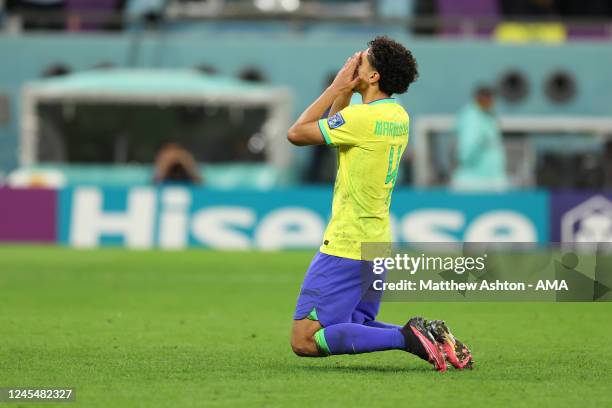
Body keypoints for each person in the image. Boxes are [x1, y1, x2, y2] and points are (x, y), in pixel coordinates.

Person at [287, 36, 472, 371]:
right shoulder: (397, 116)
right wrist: (347, 89)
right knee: (359, 324)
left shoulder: (361, 120)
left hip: (347, 244)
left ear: (373, 77)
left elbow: (297, 133)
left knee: (305, 338)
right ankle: (430, 337)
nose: (355, 62)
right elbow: (336, 132)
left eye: (364, 60)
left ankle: (409, 337)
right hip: (378, 243)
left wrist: (335, 86)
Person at [452, 86, 508, 191]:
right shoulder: (473, 118)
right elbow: (466, 151)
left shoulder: (487, 116)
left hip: (488, 182)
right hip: (475, 184)